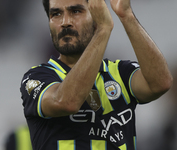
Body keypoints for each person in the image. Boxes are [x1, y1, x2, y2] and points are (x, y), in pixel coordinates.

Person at [20, 0, 173, 149]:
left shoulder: (119, 73)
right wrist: (103, 30)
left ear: (96, 16)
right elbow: (66, 102)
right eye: (56, 14)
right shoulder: (36, 78)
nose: (65, 22)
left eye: (75, 11)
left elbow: (161, 83)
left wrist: (127, 16)